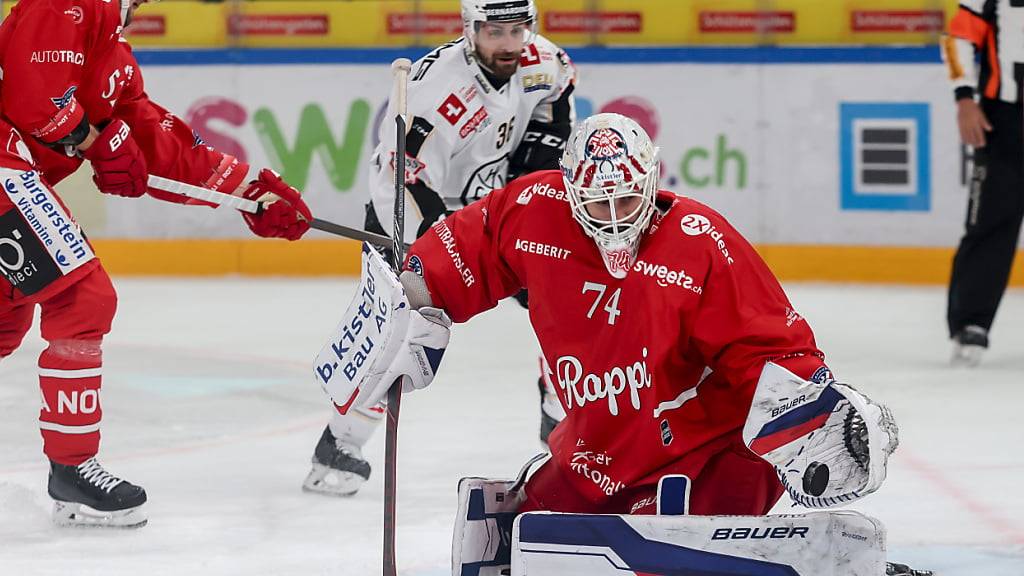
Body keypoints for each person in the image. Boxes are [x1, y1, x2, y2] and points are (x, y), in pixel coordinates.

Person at [323, 113, 928, 576]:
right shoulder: (533, 210)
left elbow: (765, 346)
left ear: (652, 181)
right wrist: (410, 300)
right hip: (594, 451)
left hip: (699, 454)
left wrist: (811, 413)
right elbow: (461, 254)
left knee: (657, 558)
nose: (613, 219)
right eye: (597, 203)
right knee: (527, 540)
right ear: (569, 190)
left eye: (627, 200)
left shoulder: (699, 240)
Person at [0, 0, 311, 527]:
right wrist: (96, 143)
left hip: (16, 170)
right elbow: (37, 98)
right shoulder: (71, 3)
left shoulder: (114, 49)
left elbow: (158, 145)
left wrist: (249, 192)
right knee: (82, 296)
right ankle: (72, 470)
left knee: (5, 319)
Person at [303, 0, 575, 497]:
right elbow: (401, 178)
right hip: (413, 219)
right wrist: (440, 246)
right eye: (495, 32)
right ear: (469, 30)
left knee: (567, 305)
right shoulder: (432, 93)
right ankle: (339, 445)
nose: (510, 45)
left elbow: (558, 94)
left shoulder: (543, 62)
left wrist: (532, 169)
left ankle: (562, 422)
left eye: (519, 30)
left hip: (498, 213)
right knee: (400, 341)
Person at [942, 1, 1023, 367]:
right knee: (990, 222)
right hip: (1005, 120)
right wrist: (964, 98)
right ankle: (971, 323)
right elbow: (956, 36)